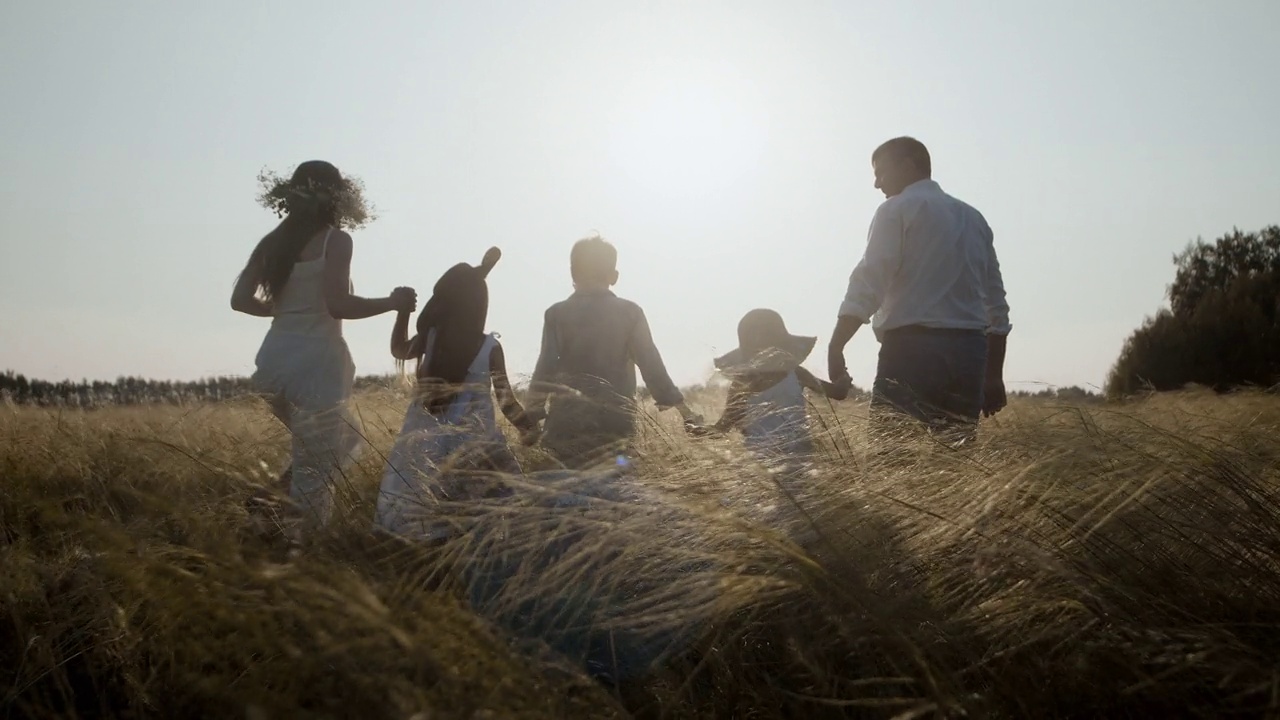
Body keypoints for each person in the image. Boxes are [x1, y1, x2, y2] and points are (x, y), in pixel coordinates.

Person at [231, 160, 416, 527]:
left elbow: (239, 300)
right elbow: (337, 304)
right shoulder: (336, 240)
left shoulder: (272, 241)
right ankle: (298, 550)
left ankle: (266, 503)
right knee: (317, 469)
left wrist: (286, 312)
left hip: (274, 364)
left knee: (338, 444)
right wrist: (391, 303)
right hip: (315, 367)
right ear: (338, 197)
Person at [828, 137, 1012, 444]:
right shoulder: (974, 218)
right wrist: (993, 375)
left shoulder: (895, 210)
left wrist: (837, 345)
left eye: (881, 172)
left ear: (909, 164)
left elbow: (870, 281)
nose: (876, 184)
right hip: (969, 355)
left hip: (910, 350)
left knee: (893, 456)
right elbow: (996, 306)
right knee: (956, 462)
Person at [374, 247, 539, 541]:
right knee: (490, 521)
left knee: (423, 520)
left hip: (426, 449)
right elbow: (506, 402)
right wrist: (528, 426)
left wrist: (402, 314)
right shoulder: (489, 348)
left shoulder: (432, 339)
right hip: (474, 448)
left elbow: (398, 349)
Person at [525, 235, 704, 470]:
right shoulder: (630, 312)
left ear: (572, 273)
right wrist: (685, 412)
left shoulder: (556, 314)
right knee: (616, 490)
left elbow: (545, 367)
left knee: (566, 490)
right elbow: (650, 363)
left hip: (565, 423)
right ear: (614, 276)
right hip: (615, 424)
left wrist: (533, 413)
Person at [711, 308, 849, 476]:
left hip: (760, 466)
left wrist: (699, 429)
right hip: (799, 459)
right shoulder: (797, 374)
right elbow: (838, 393)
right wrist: (843, 379)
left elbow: (722, 428)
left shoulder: (741, 385)